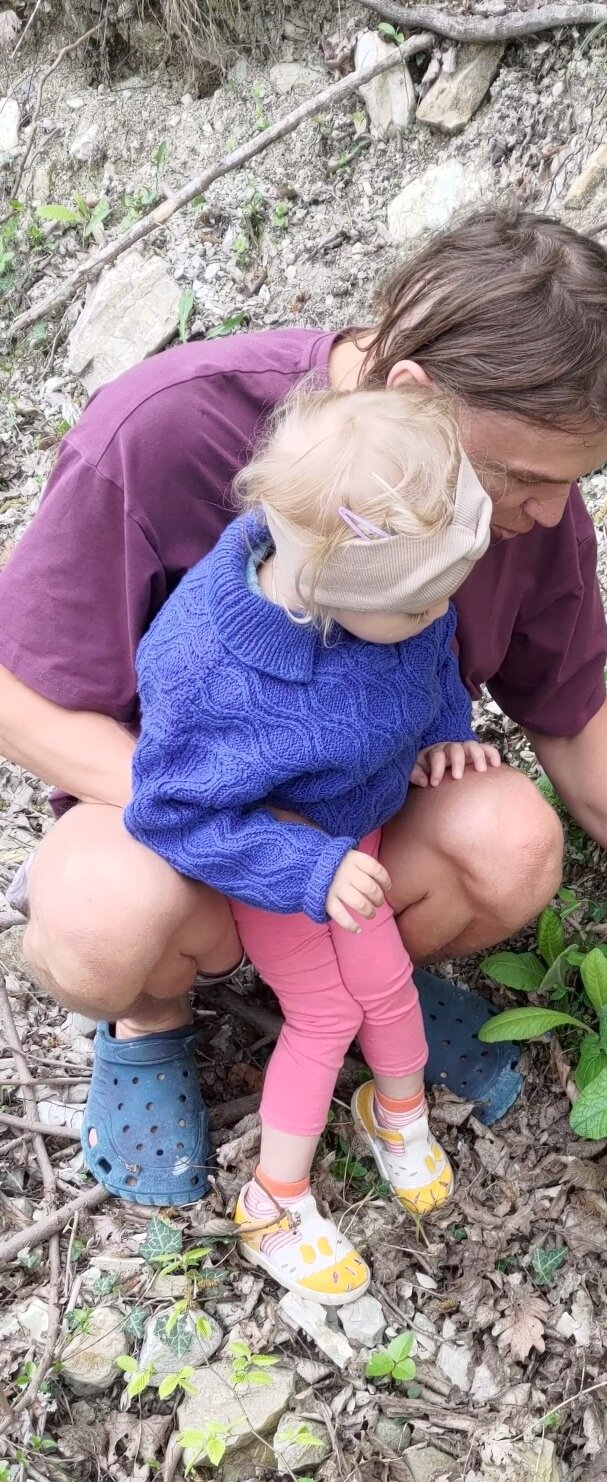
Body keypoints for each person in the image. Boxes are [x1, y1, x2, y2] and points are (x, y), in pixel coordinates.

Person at [0, 209, 607, 1222]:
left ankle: (360, 996)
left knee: (511, 843)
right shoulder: (169, 431)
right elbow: (18, 697)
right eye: (528, 480)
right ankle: (152, 1018)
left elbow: (570, 710)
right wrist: (238, 827)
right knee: (100, 920)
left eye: (573, 483)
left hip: (356, 819)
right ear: (417, 395)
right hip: (177, 829)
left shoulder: (524, 502)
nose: (547, 514)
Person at [121, 386, 496, 1302]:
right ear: (329, 587)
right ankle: (273, 1198)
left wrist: (447, 723)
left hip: (354, 839)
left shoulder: (402, 595)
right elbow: (169, 811)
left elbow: (431, 652)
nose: (440, 614)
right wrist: (304, 868)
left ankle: (394, 1109)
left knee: (385, 979)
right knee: (326, 1013)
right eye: (419, 605)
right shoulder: (211, 667)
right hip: (276, 860)